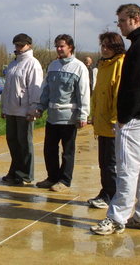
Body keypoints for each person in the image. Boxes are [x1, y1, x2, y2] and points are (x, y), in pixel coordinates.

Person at [91, 3, 140, 235]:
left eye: (122, 21)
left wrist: (124, 117)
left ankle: (116, 217)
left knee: (127, 170)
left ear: (135, 19)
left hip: (137, 118)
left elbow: (136, 87)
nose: (119, 25)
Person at [34, 34, 90, 192]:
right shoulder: (52, 66)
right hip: (52, 117)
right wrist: (40, 107)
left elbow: (83, 93)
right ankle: (52, 177)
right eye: (57, 46)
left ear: (70, 47)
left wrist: (83, 114)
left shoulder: (79, 67)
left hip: (69, 119)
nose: (58, 49)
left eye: (62, 46)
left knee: (67, 152)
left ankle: (64, 180)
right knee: (49, 149)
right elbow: (46, 90)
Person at [88, 32, 125, 209]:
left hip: (112, 124)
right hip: (101, 122)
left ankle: (112, 194)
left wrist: (114, 119)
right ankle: (105, 191)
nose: (103, 49)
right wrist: (93, 114)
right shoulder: (102, 65)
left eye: (107, 46)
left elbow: (118, 94)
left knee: (111, 162)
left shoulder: (119, 64)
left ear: (116, 47)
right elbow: (97, 93)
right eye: (102, 45)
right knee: (103, 161)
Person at [0, 33, 43, 185]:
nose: (18, 47)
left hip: (24, 110)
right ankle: (15, 170)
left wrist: (34, 109)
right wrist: (3, 107)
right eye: (16, 45)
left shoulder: (33, 64)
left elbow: (35, 88)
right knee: (12, 141)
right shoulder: (13, 64)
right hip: (11, 110)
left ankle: (26, 174)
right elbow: (7, 88)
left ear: (28, 45)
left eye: (21, 45)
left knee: (24, 142)